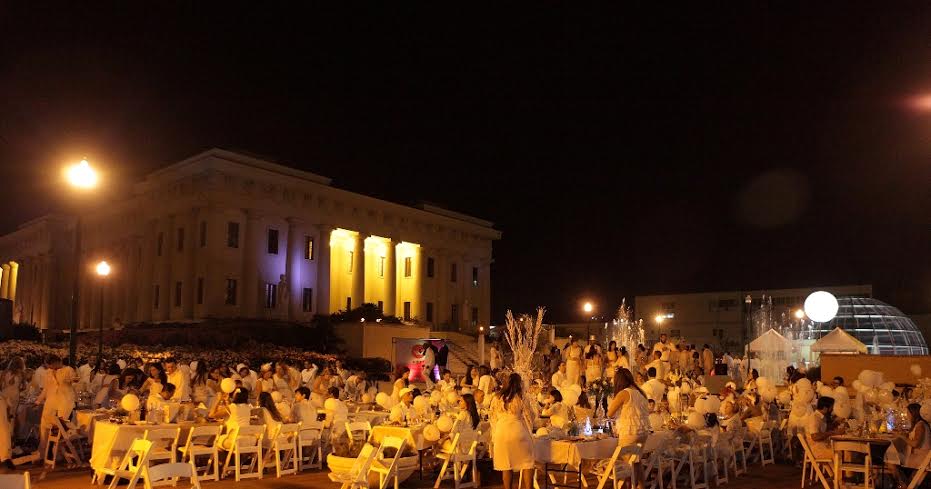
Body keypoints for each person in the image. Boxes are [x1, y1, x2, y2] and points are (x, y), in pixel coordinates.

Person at [608, 368, 650, 489]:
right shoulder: (641, 392)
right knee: (636, 461)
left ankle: (628, 486)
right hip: (643, 431)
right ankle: (641, 486)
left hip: (630, 432)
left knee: (626, 464)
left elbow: (610, 413)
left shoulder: (624, 393)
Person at [491, 373, 535, 489]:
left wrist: (495, 435)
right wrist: (529, 430)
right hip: (517, 431)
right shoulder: (521, 397)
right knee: (527, 463)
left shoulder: (496, 398)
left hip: (501, 432)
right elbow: (530, 416)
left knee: (506, 466)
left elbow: (492, 418)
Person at [890, 403, 931, 487]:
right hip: (917, 457)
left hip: (922, 459)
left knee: (891, 462)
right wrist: (903, 434)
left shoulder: (920, 425)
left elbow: (915, 443)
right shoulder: (919, 424)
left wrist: (902, 436)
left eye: (908, 413)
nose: (907, 415)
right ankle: (903, 485)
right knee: (891, 460)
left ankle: (902, 485)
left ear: (913, 414)